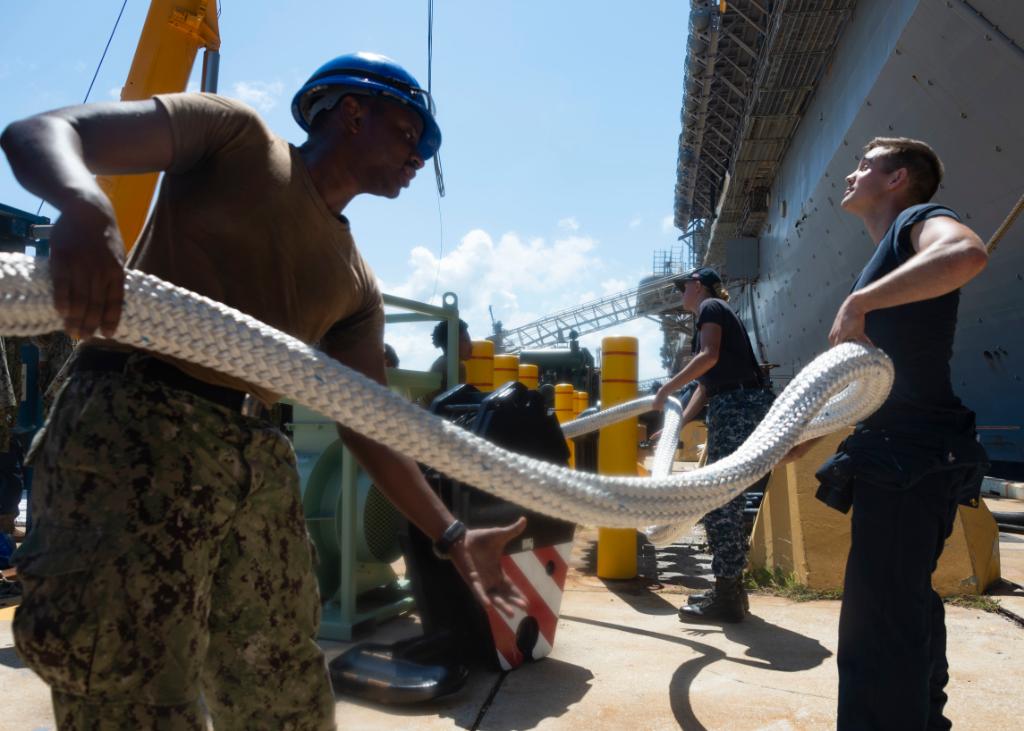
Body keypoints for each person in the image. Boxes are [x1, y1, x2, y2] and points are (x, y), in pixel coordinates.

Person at [1, 51, 527, 729]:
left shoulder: (356, 283)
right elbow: (40, 131)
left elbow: (370, 424)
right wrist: (82, 201)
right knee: (129, 685)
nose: (421, 154)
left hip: (254, 453)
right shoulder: (234, 138)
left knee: (280, 681)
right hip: (134, 426)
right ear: (353, 110)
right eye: (412, 132)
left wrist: (452, 534)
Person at [790, 137, 989, 730]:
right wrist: (812, 426)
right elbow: (891, 375)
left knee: (878, 626)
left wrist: (858, 303)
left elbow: (967, 254)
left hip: (908, 459)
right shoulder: (892, 252)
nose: (851, 174)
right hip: (909, 454)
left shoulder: (917, 221)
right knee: (905, 607)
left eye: (865, 165)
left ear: (899, 177)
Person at [653, 267, 774, 622]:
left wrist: (666, 389)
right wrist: (679, 424)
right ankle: (730, 591)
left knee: (720, 500)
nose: (680, 292)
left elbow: (708, 356)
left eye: (682, 286)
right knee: (722, 499)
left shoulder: (710, 308)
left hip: (737, 406)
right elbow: (707, 385)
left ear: (699, 286)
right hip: (732, 403)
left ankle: (727, 593)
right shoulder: (711, 314)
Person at [420, 318, 471, 407]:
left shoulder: (440, 362)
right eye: (465, 340)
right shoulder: (456, 366)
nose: (471, 346)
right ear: (453, 342)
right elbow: (458, 403)